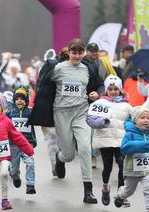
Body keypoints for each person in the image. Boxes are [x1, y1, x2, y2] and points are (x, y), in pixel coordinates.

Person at [51, 38, 100, 203]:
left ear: (84, 52)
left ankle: (88, 191)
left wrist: (96, 94)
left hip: (81, 111)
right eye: (74, 52)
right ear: (69, 52)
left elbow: (98, 84)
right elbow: (44, 85)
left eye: (80, 52)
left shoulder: (88, 69)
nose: (77, 56)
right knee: (69, 154)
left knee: (85, 148)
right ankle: (60, 158)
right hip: (62, 112)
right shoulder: (58, 68)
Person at [114, 106, 149, 212]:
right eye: (142, 117)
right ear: (135, 120)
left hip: (148, 169)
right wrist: (142, 145)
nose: (146, 120)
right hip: (132, 169)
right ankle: (120, 196)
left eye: (148, 118)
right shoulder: (129, 134)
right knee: (128, 191)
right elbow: (124, 148)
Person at [86, 75, 132, 206]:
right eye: (110, 89)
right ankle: (105, 187)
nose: (113, 91)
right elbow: (91, 119)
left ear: (120, 90)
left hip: (121, 140)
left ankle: (121, 194)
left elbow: (134, 118)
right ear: (106, 90)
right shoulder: (100, 103)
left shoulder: (126, 105)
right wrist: (100, 121)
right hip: (105, 140)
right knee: (107, 166)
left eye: (115, 89)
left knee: (122, 165)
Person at [7, 87, 37, 194]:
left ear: (26, 101)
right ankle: (15, 177)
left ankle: (30, 185)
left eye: (22, 99)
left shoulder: (30, 113)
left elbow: (40, 114)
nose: (19, 101)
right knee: (13, 170)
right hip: (13, 145)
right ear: (14, 101)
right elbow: (0, 121)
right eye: (17, 99)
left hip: (27, 144)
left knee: (30, 163)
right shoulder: (10, 114)